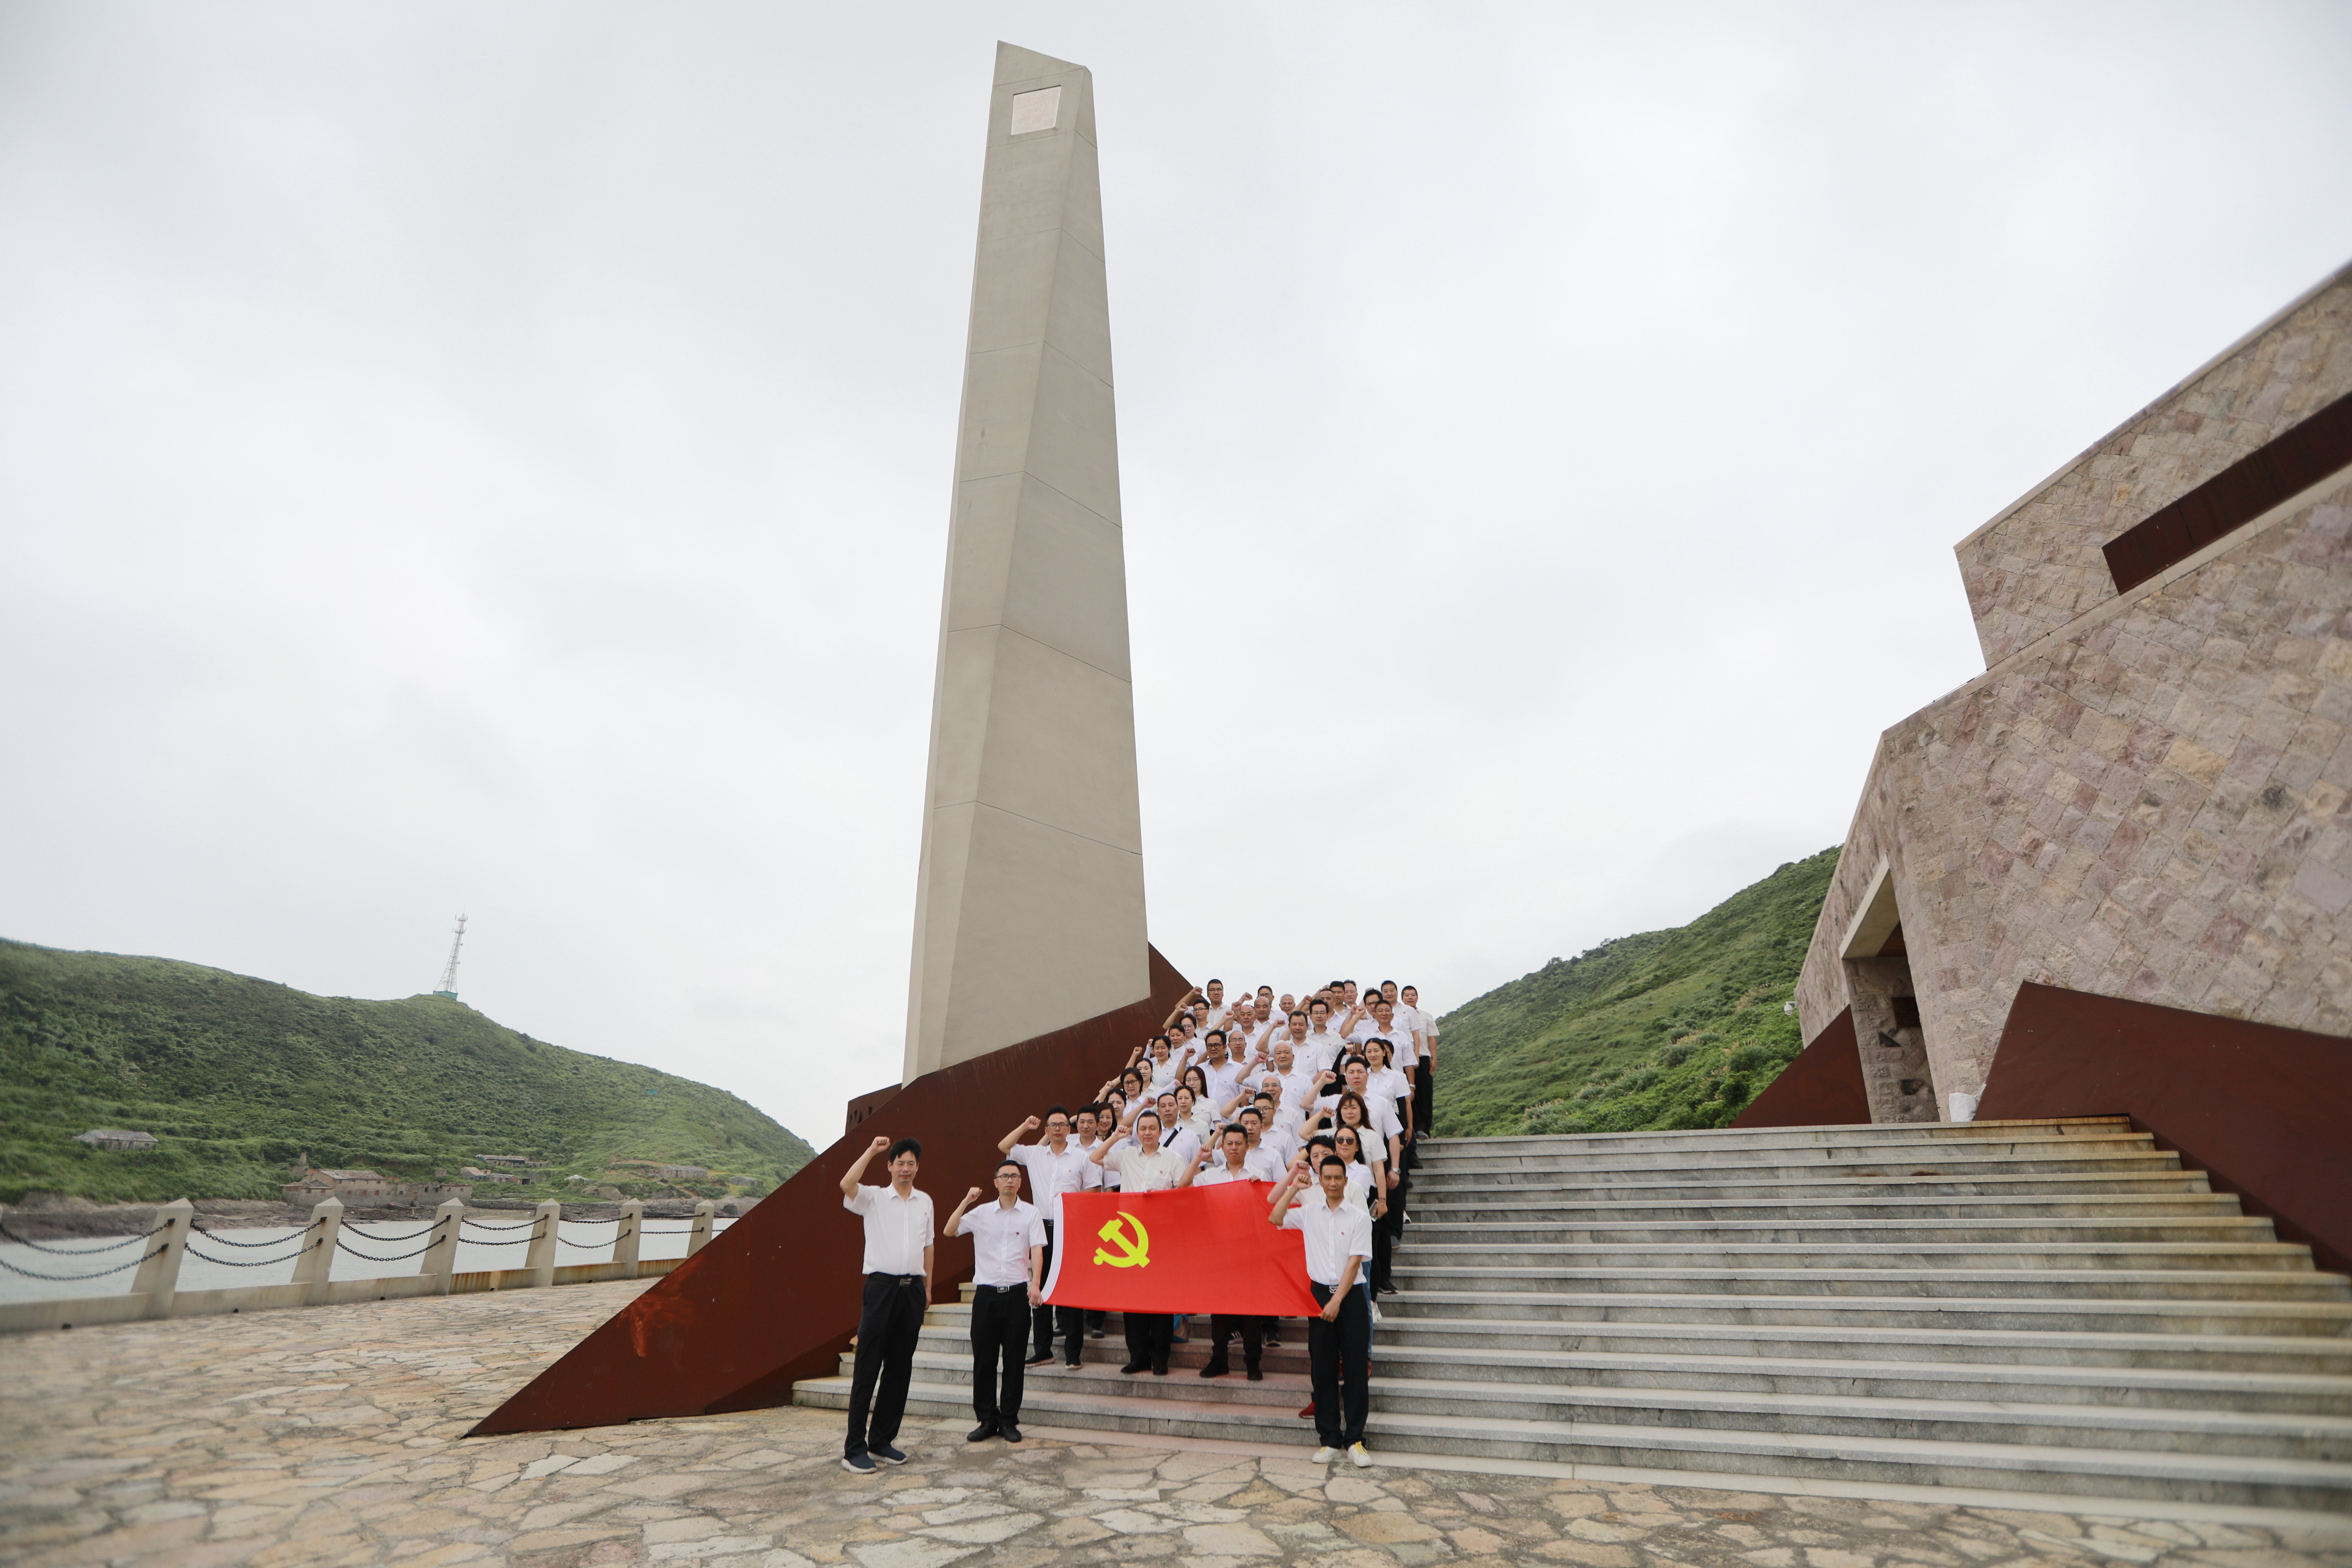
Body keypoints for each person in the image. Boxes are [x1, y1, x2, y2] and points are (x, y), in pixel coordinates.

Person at [1270, 1154, 1373, 1467]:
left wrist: (1337, 1301)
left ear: (1346, 1180)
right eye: (1326, 1178)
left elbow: (1355, 1263)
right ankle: (1329, 1439)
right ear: (1320, 1180)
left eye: (1338, 1178)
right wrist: (1293, 1187)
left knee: (1355, 1369)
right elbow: (1275, 1217)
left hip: (1350, 1297)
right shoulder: (1309, 1213)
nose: (1332, 1183)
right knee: (1323, 1369)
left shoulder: (1358, 1218)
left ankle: (1355, 1440)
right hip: (1318, 1295)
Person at [838, 1135, 932, 1474]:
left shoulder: (925, 1201)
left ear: (917, 1167)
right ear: (890, 1166)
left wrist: (928, 1287)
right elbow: (846, 1184)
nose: (906, 1169)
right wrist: (871, 1150)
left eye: (911, 1164)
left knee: (900, 1368)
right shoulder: (874, 1198)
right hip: (881, 1289)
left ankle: (881, 1440)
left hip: (912, 1291)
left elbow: (929, 1245)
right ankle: (854, 1449)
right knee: (868, 1367)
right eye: (900, 1163)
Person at [944, 1161, 1045, 1443]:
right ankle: (987, 1419)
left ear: (1020, 1182)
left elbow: (1037, 1249)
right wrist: (967, 1201)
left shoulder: (1031, 1213)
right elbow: (950, 1231)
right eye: (1005, 1176)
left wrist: (1036, 1283)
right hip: (986, 1296)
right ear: (996, 1182)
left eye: (1014, 1176)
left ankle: (1009, 1420)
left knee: (1015, 1360)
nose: (1010, 1180)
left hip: (1016, 1295)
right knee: (984, 1360)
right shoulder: (981, 1213)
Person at [1088, 1106, 1186, 1374]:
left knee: (1161, 1299)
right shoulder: (1127, 1155)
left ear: (1160, 1132)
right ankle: (1138, 1357)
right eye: (1143, 1129)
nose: (1147, 1133)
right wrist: (1116, 1137)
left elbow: (1185, 1192)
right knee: (1133, 1299)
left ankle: (1160, 1358)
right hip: (1129, 1236)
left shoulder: (1174, 1158)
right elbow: (1096, 1157)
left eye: (1152, 1128)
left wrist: (1163, 1198)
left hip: (1161, 1236)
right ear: (1137, 1132)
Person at [999, 1107, 1098, 1368]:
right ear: (1046, 1130)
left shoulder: (1081, 1158)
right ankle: (1043, 1351)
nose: (1057, 1129)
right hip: (1040, 1228)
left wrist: (1069, 1201)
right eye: (1052, 1125)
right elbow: (1004, 1146)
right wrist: (1025, 1127)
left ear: (1069, 1129)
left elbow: (1095, 1191)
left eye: (1062, 1125)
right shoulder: (1034, 1154)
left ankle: (1073, 1353)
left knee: (1071, 1290)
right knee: (1039, 1288)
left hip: (1069, 1229)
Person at [1182, 1124, 1268, 1379]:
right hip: (1218, 1252)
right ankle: (1219, 1360)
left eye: (1239, 1143)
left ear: (1247, 1146)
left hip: (1250, 1250)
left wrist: (1260, 1188)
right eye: (1229, 1143)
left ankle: (1253, 1363)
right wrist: (1198, 1158)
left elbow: (1271, 1205)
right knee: (1219, 1309)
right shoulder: (1210, 1176)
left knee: (1252, 1311)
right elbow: (1183, 1186)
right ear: (1222, 1146)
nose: (1234, 1148)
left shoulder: (1259, 1175)